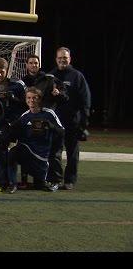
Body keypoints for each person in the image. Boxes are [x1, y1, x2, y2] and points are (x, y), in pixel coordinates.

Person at [7, 87, 65, 194]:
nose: (31, 100)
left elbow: (61, 132)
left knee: (39, 185)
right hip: (28, 154)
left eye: (35, 97)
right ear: (25, 100)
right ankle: (12, 184)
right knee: (12, 152)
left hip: (43, 156)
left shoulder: (49, 113)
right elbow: (15, 133)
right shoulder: (24, 116)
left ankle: (45, 179)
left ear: (40, 99)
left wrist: (51, 126)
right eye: (28, 98)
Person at [49, 47, 91, 190]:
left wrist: (83, 123)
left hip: (73, 122)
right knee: (54, 152)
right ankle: (55, 179)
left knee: (72, 153)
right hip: (55, 122)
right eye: (60, 58)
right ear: (56, 59)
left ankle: (69, 180)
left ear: (70, 59)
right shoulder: (51, 76)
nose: (62, 60)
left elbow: (86, 101)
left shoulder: (77, 76)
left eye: (65, 58)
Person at [0, 57, 26, 124]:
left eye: (2, 72)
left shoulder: (18, 84)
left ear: (7, 70)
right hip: (0, 123)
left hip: (17, 121)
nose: (0, 75)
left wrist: (14, 99)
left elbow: (27, 103)